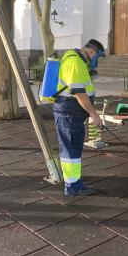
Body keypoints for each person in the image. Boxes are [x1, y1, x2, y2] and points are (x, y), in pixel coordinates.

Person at [53, 39, 105, 196]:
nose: (97, 59)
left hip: (71, 113)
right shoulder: (75, 63)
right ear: (91, 51)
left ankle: (73, 182)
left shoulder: (79, 62)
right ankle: (72, 186)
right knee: (70, 150)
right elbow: (80, 94)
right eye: (98, 56)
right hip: (69, 113)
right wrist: (94, 114)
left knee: (73, 148)